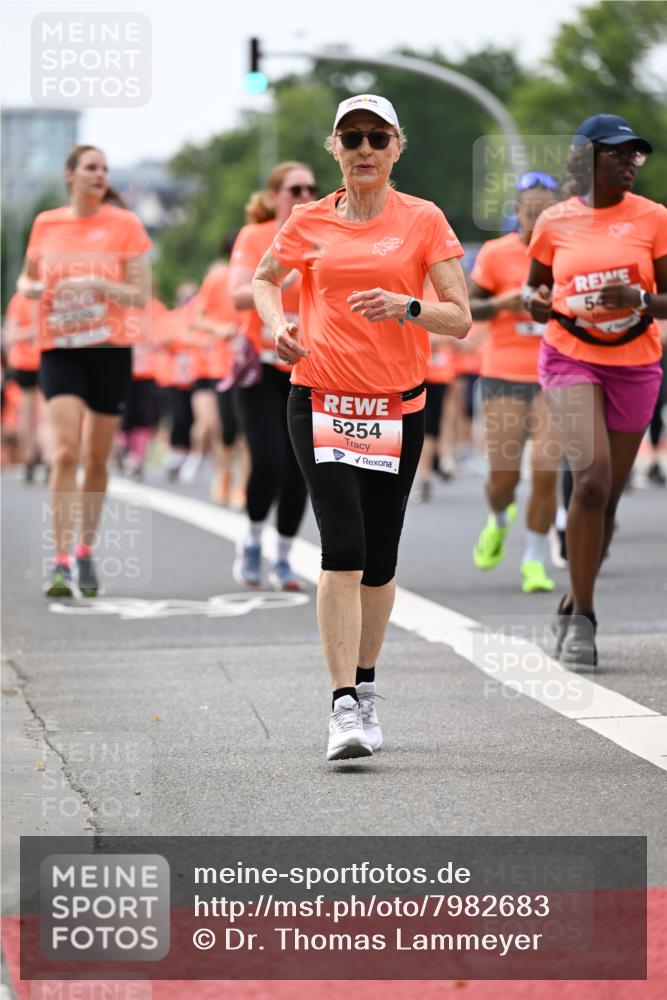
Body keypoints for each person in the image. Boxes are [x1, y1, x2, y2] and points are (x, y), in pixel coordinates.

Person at [252, 94, 471, 760]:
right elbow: (265, 279)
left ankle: (366, 687)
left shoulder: (422, 220)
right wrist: (276, 323)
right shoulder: (308, 220)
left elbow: (458, 316)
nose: (365, 150)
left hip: (394, 406)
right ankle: (342, 705)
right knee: (341, 545)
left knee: (378, 561)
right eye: (352, 139)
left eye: (378, 138)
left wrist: (408, 306)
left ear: (396, 147)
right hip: (319, 399)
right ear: (335, 150)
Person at [526, 114, 667, 668]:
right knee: (591, 484)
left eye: (636, 154)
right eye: (618, 153)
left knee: (607, 499)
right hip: (569, 356)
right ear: (587, 158)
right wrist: (536, 303)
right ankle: (585, 618)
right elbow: (536, 288)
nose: (631, 161)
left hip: (636, 363)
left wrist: (635, 298)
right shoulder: (555, 222)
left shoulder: (654, 218)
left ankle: (571, 599)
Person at [17, 145, 151, 597]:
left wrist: (95, 283)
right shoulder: (46, 223)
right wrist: (32, 288)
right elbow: (25, 277)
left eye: (105, 169)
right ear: (70, 175)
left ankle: (86, 551)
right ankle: (59, 562)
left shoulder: (125, 224)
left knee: (96, 458)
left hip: (110, 348)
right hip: (60, 346)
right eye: (91, 168)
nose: (100, 174)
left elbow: (140, 294)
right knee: (65, 453)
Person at [469, 172, 560, 593]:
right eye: (530, 211)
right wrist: (503, 302)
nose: (537, 218)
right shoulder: (495, 252)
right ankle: (498, 519)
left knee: (545, 470)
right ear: (517, 212)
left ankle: (534, 560)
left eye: (546, 211)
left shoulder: (568, 253)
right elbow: (470, 307)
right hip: (504, 372)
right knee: (503, 478)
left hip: (555, 372)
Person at [229, 162, 318, 591]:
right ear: (274, 196)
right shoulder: (256, 236)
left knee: (301, 468)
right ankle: (251, 540)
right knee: (268, 461)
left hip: (309, 367)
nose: (303, 196)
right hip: (261, 369)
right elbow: (238, 294)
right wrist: (288, 278)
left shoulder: (327, 234)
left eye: (310, 188)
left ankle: (283, 557)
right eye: (293, 189)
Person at [2, 291, 48, 481]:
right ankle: (30, 458)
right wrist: (34, 332)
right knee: (28, 412)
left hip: (48, 361)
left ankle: (46, 458)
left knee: (44, 414)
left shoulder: (48, 297)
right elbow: (11, 335)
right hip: (26, 363)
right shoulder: (20, 300)